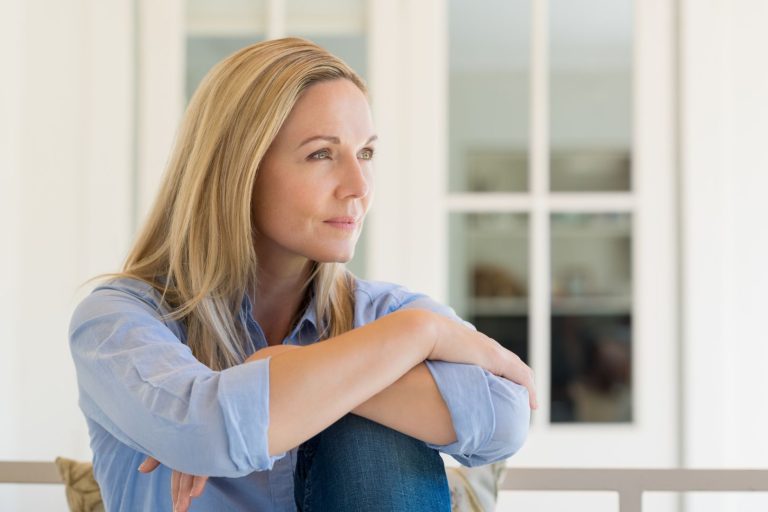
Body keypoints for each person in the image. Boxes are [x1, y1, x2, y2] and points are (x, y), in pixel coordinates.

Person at [69, 37, 536, 512]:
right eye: (321, 154)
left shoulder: (383, 313)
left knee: (373, 432)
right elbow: (205, 432)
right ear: (239, 169)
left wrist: (279, 366)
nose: (358, 187)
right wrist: (421, 335)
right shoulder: (116, 320)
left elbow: (506, 417)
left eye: (367, 154)